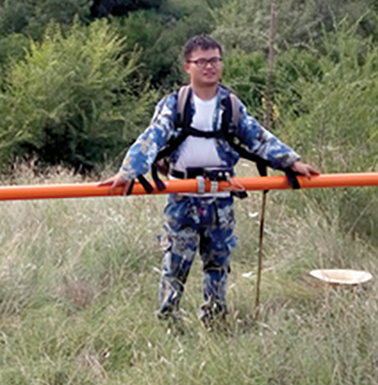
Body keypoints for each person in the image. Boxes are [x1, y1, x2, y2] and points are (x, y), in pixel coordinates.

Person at [102, 34, 318, 327]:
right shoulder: (175, 104)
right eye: (201, 61)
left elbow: (257, 137)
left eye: (215, 60)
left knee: (218, 263)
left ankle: (215, 321)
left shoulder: (231, 105)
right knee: (176, 263)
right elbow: (153, 137)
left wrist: (292, 162)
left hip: (221, 197)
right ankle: (169, 322)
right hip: (182, 195)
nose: (209, 66)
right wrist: (128, 172)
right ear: (187, 66)